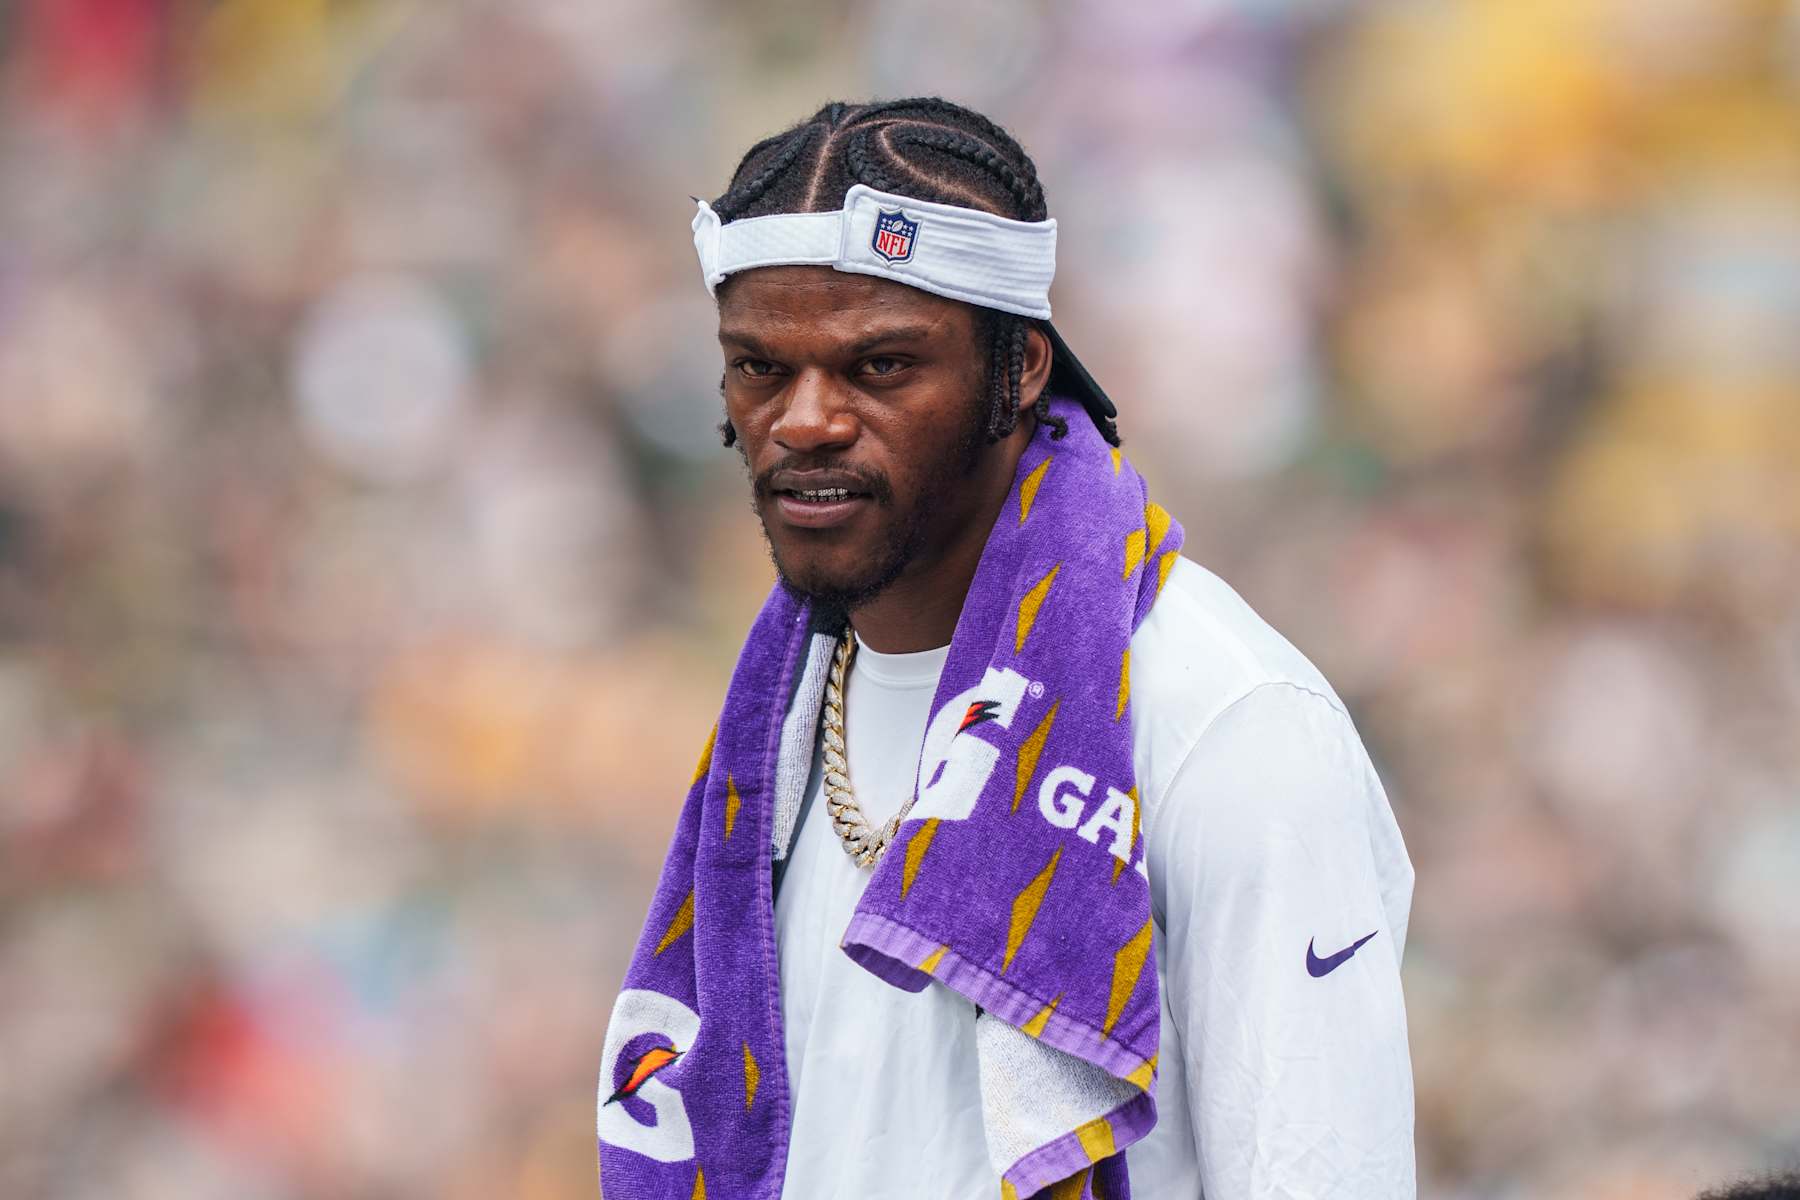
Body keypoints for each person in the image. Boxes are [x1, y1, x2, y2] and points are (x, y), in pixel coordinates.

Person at [598, 97, 1415, 1199]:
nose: (804, 422)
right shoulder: (778, 722)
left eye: (879, 367)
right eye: (759, 369)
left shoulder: (1223, 718)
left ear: (1019, 368)